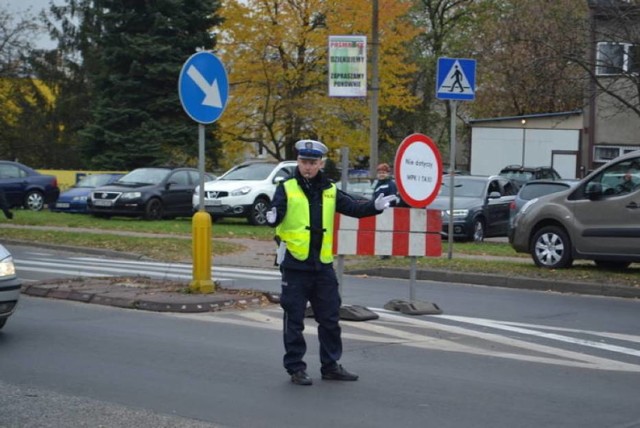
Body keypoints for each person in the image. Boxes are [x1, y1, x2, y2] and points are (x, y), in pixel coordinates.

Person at [266, 139, 396, 386]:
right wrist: (272, 216)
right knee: (293, 318)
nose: (308, 167)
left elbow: (354, 207)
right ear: (299, 162)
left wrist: (375, 207)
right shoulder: (287, 187)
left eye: (313, 163)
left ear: (321, 164)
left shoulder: (329, 189)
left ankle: (330, 365)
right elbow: (277, 212)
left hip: (322, 265)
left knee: (330, 318)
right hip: (295, 263)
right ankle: (296, 367)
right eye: (304, 162)